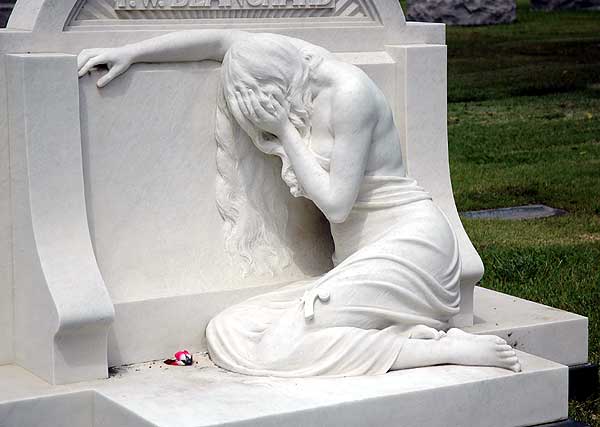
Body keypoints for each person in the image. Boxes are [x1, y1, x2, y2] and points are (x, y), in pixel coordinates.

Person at [78, 30, 521, 377]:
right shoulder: (287, 62)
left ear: (276, 88)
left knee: (276, 349)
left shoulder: (349, 94)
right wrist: (132, 52)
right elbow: (220, 41)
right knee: (227, 331)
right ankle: (402, 338)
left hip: (412, 251)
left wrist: (284, 133)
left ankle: (438, 352)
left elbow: (336, 205)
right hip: (356, 261)